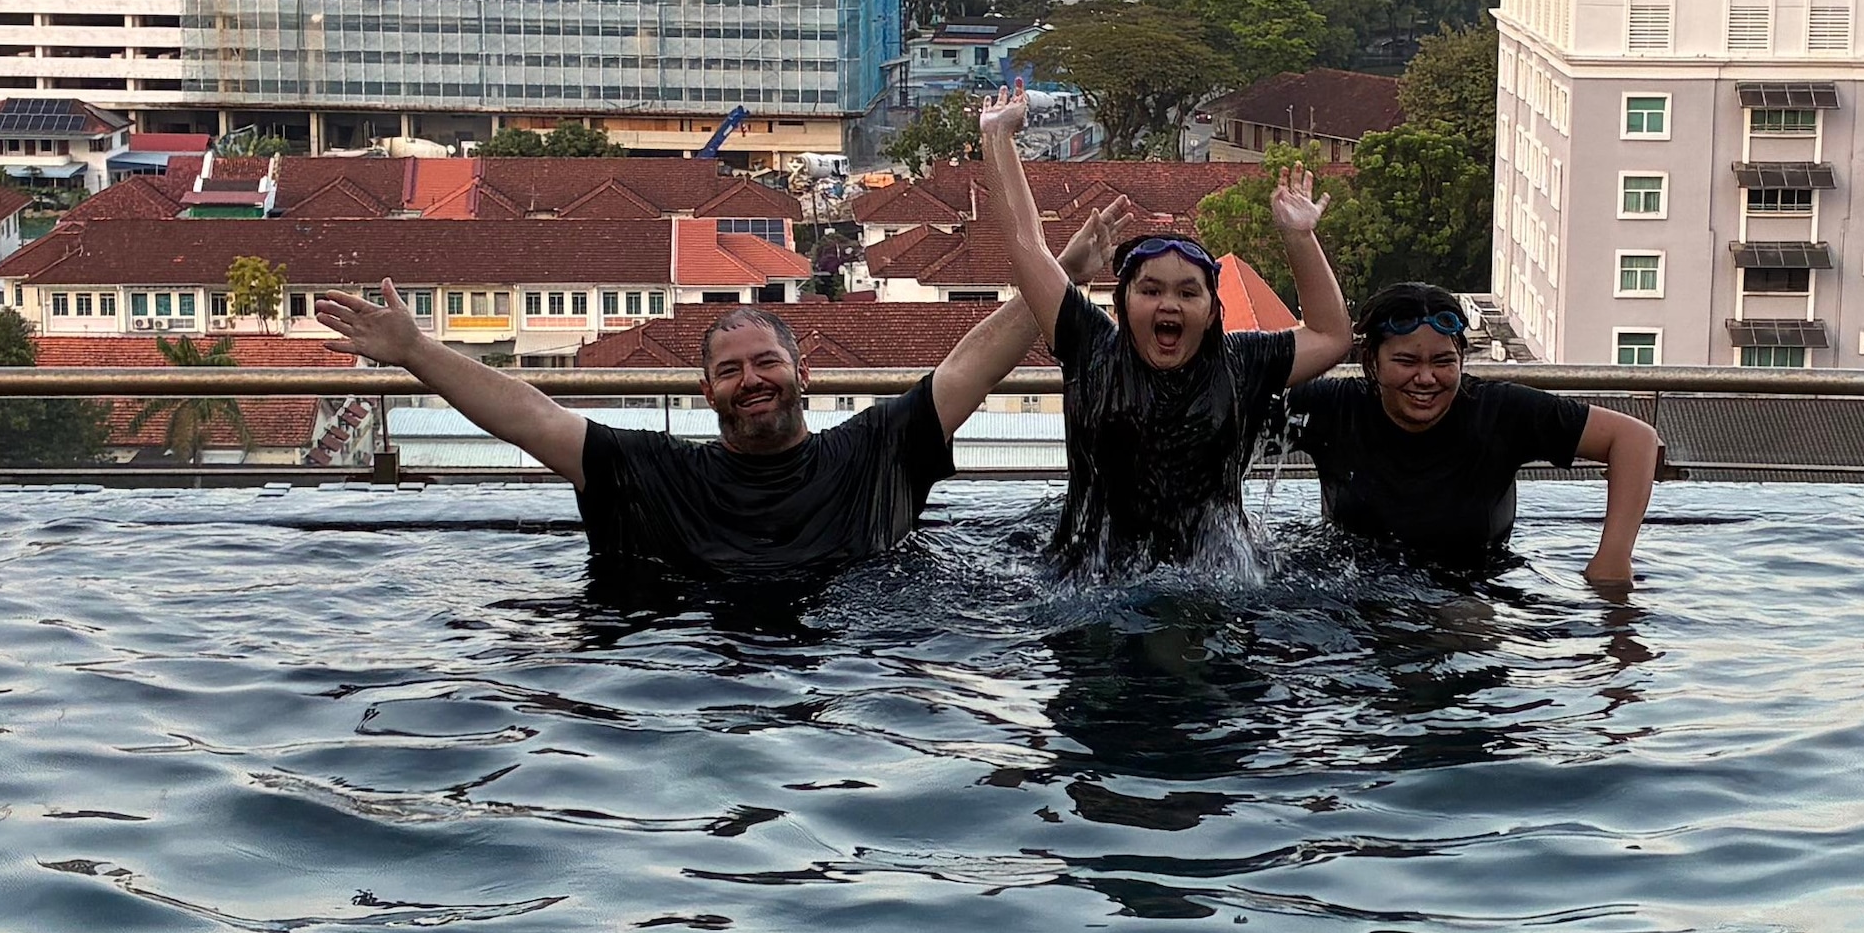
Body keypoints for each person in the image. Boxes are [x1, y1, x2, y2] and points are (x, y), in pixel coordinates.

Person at [329, 275, 1039, 596]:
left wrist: (1054, 281)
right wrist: (417, 351)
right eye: (730, 371)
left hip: (851, 680)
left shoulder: (873, 451)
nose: (751, 380)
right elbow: (532, 415)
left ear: (803, 374)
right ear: (707, 393)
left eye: (767, 362)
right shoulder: (655, 472)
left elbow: (968, 369)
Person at [973, 90, 1350, 572]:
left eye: (1188, 293)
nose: (1168, 304)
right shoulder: (1093, 347)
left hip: (1215, 578)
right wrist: (998, 136)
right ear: (1122, 304)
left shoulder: (1240, 363)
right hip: (1093, 576)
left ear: (1212, 312)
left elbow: (1331, 335)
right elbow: (1026, 246)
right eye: (1150, 290)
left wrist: (1299, 237)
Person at [1296, 279, 1662, 592]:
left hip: (1472, 587)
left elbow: (1634, 439)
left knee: (1469, 621)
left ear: (1461, 361)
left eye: (1443, 362)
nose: (1426, 378)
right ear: (1372, 363)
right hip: (1354, 588)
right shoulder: (1336, 408)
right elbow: (1258, 402)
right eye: (1406, 362)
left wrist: (1613, 558)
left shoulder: (1497, 411)